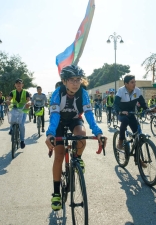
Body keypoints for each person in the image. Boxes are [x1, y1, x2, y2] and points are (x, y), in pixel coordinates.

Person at [44, 65, 106, 211]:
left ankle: (77, 157)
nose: (75, 83)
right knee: (59, 156)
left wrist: (98, 132)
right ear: (64, 81)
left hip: (73, 120)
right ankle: (56, 193)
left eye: (78, 79)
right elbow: (54, 115)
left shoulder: (83, 93)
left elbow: (89, 115)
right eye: (72, 80)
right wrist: (50, 134)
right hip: (58, 122)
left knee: (81, 134)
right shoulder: (57, 93)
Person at [114, 74, 154, 151]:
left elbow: (142, 103)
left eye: (135, 82)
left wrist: (148, 109)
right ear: (126, 83)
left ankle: (138, 159)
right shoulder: (121, 91)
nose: (134, 84)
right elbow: (115, 104)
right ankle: (120, 142)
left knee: (138, 136)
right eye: (132, 82)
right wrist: (121, 111)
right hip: (121, 113)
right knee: (125, 120)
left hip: (131, 113)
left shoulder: (137, 91)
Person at [6, 79, 31, 149]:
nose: (18, 84)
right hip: (14, 108)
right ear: (15, 85)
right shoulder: (12, 92)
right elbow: (9, 99)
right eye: (17, 83)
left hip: (23, 109)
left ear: (22, 85)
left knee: (21, 125)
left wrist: (28, 103)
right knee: (12, 120)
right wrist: (8, 101)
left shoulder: (26, 92)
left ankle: (22, 141)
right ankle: (11, 130)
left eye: (20, 83)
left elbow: (29, 100)